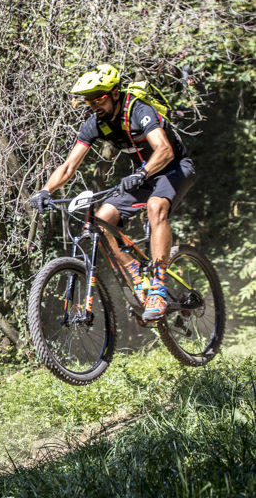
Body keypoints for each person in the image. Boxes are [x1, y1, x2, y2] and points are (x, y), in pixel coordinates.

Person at [30, 63, 196, 322]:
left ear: (116, 93)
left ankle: (159, 287)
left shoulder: (140, 111)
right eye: (89, 99)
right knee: (101, 220)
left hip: (174, 168)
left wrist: (141, 174)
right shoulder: (94, 124)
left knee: (156, 206)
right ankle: (137, 279)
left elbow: (164, 150)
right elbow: (69, 165)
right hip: (143, 175)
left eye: (100, 97)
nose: (94, 104)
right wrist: (45, 190)